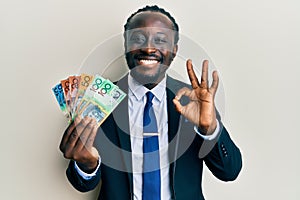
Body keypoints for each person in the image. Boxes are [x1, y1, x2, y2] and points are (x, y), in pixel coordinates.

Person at [59, 5, 242, 200]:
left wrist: (209, 128)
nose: (148, 48)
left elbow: (229, 172)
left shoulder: (195, 100)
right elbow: (81, 184)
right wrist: (87, 166)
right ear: (126, 46)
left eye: (160, 40)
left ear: (174, 50)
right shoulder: (98, 100)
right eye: (138, 39)